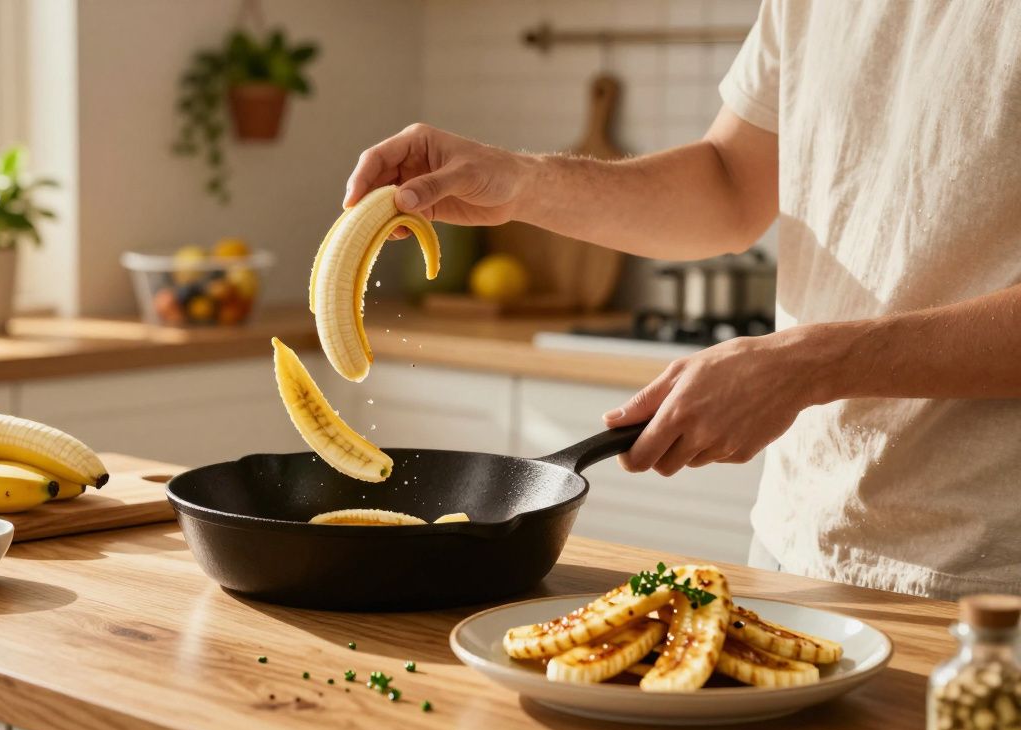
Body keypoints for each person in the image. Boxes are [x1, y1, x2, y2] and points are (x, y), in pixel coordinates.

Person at [343, 1, 1021, 600]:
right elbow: (729, 183)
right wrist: (520, 183)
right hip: (797, 546)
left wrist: (811, 364)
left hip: (990, 574)